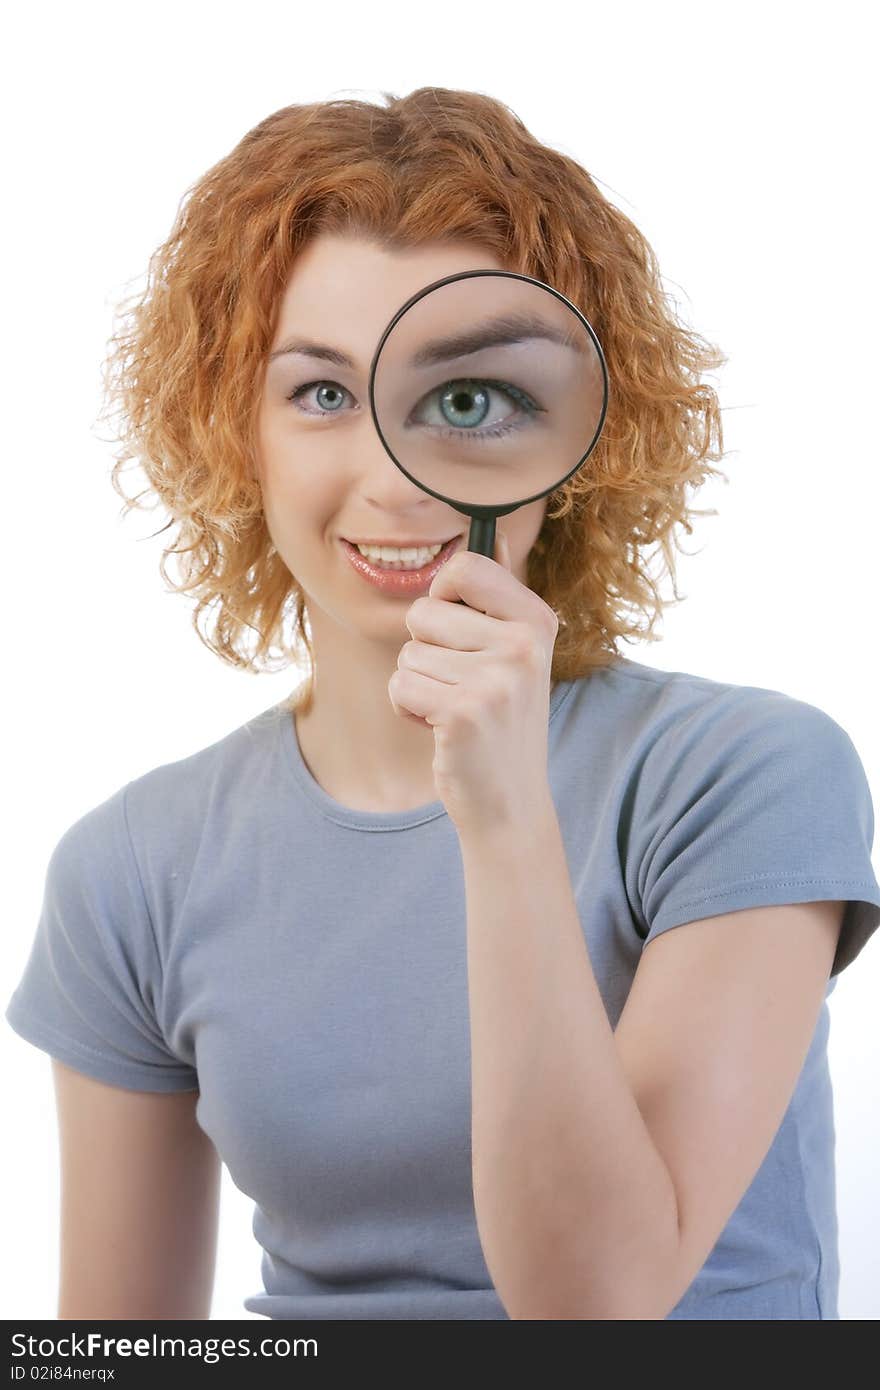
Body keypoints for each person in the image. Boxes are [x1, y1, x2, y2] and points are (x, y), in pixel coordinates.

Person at [6, 87, 880, 1322]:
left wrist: (505, 818)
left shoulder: (744, 773)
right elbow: (115, 1351)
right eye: (320, 394)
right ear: (229, 430)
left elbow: (595, 1307)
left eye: (468, 400)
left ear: (579, 442)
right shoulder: (130, 869)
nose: (392, 475)